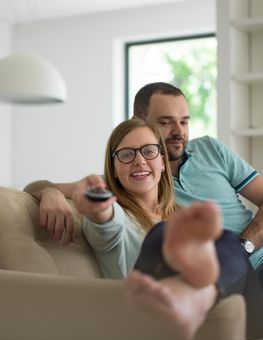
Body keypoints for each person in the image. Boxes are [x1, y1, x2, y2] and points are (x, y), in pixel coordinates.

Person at [26, 119, 263, 340]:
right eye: (127, 154)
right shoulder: (119, 214)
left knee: (225, 239)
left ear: (162, 161)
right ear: (114, 168)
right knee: (162, 234)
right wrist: (92, 206)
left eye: (148, 151)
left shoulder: (181, 215)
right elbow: (105, 225)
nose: (139, 161)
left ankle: (195, 297)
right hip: (153, 324)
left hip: (229, 316)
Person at [23, 82, 263, 283]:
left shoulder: (211, 149)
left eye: (184, 121)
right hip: (223, 282)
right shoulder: (126, 181)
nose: (178, 131)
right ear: (140, 121)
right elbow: (92, 209)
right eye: (166, 122)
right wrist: (50, 193)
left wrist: (245, 248)